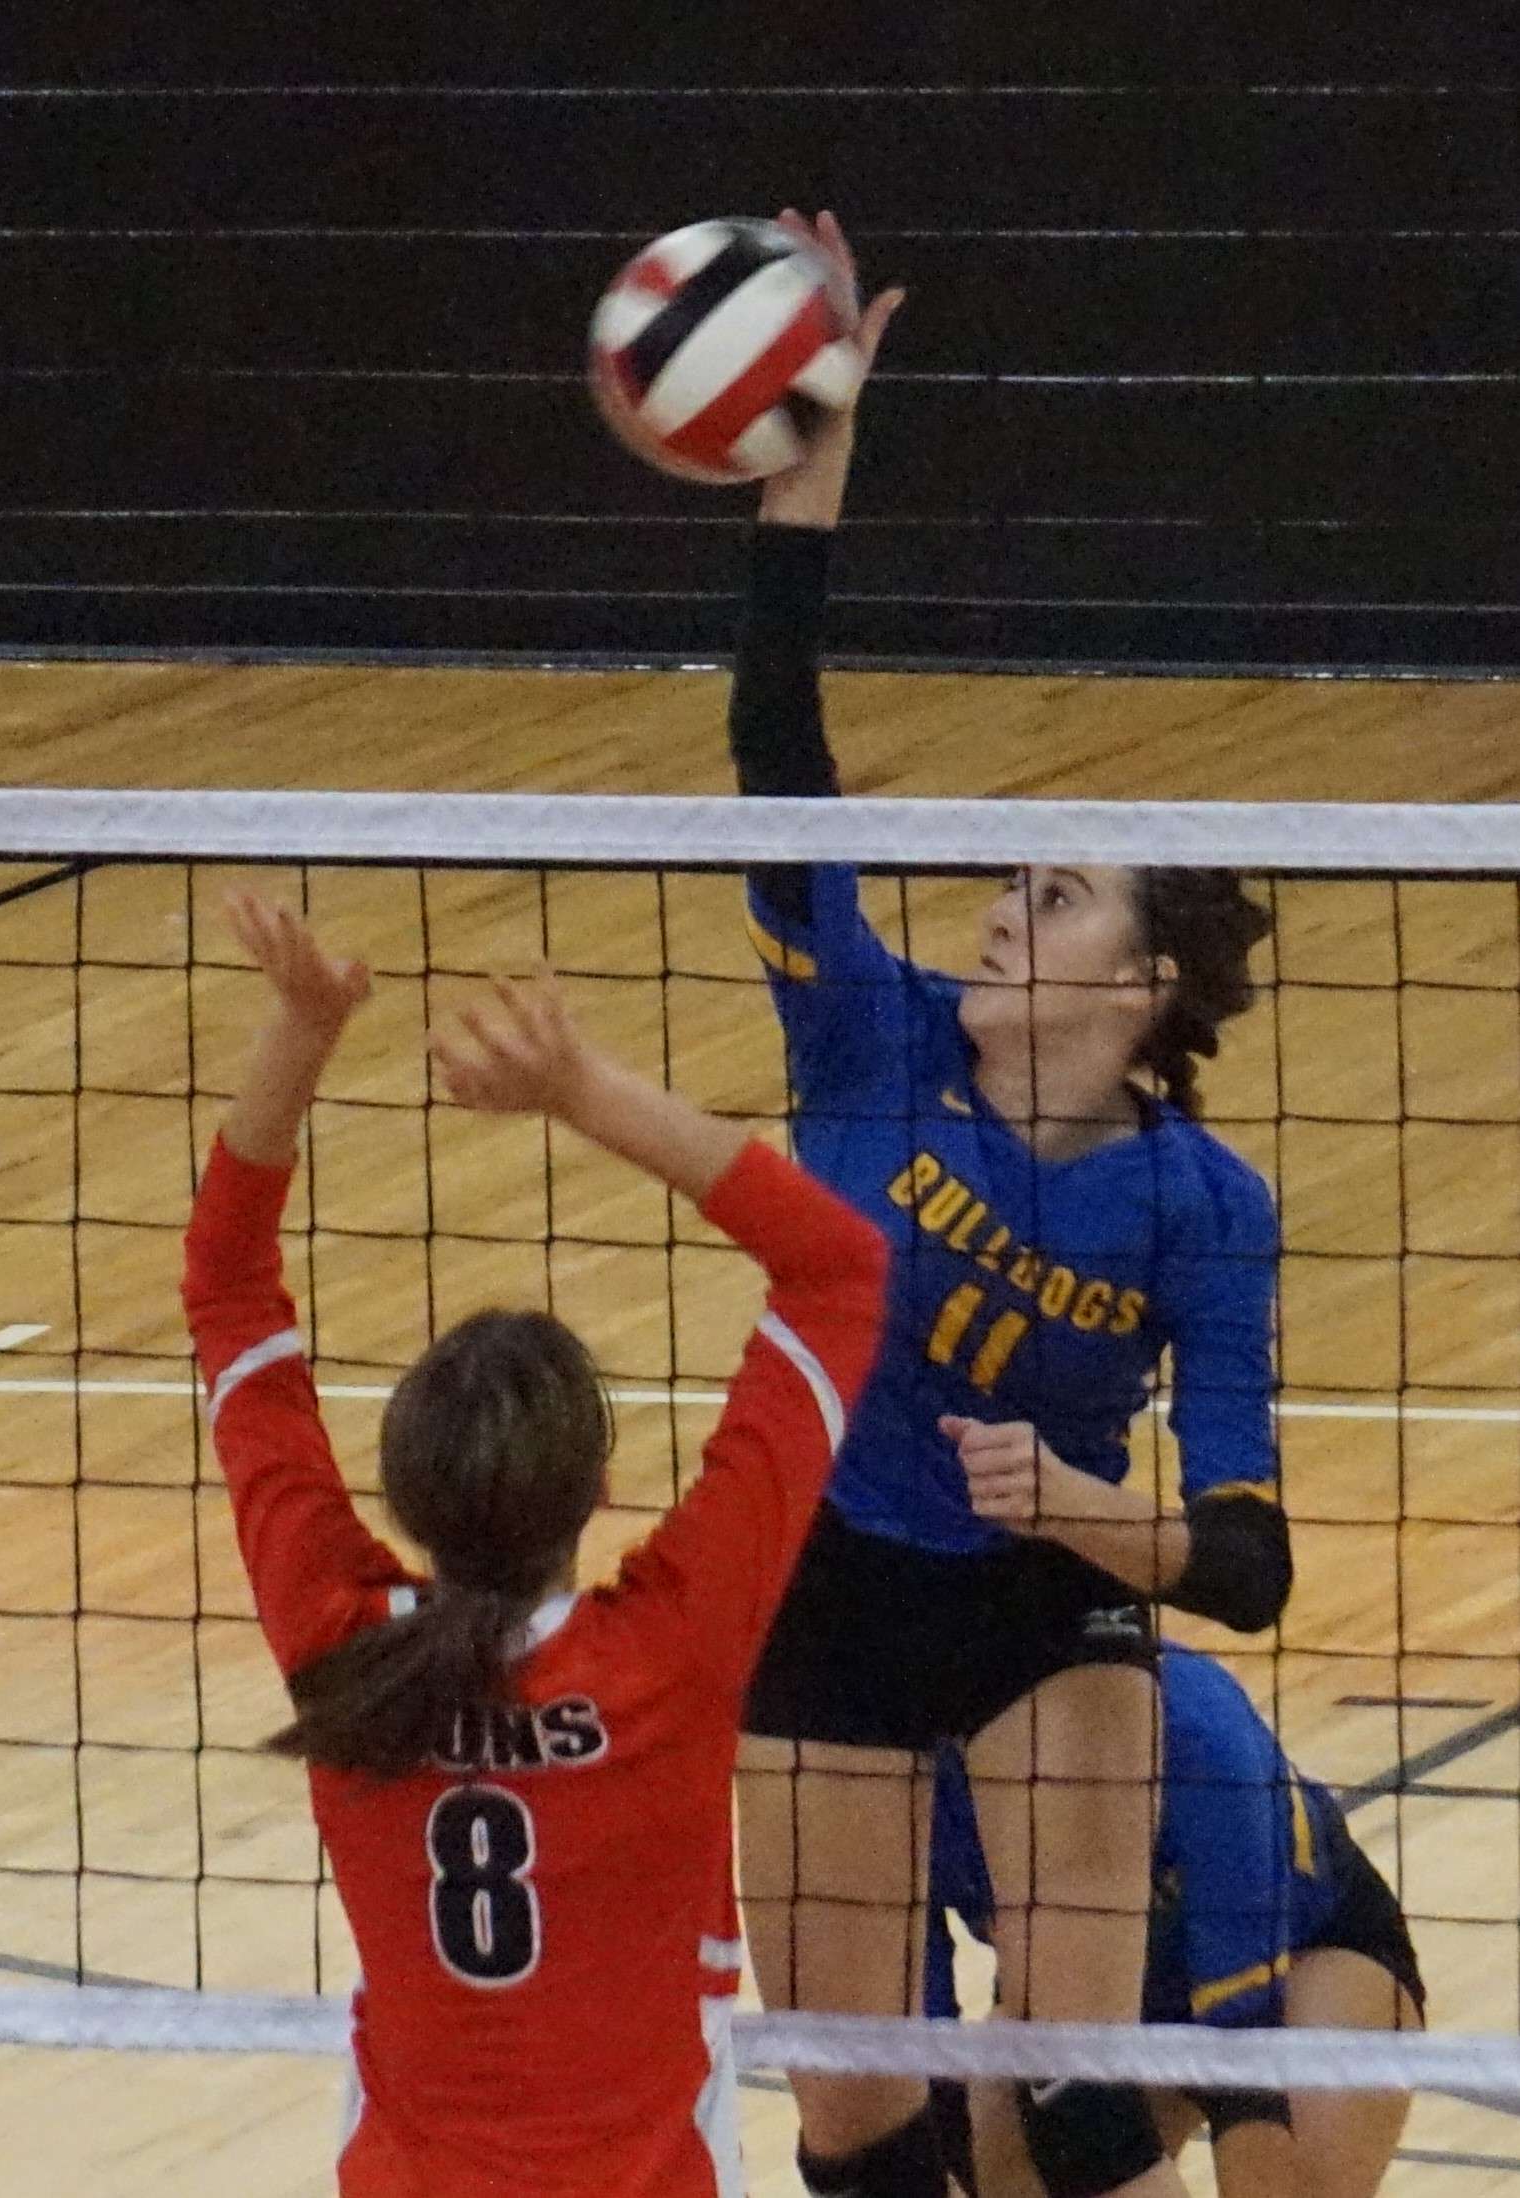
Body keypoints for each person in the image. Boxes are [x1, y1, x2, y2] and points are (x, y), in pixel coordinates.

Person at [723, 212, 1290, 2198]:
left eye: (1047, 897)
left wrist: (1073, 1505)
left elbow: (1244, 1560)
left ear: (1138, 990)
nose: (993, 904)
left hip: (1051, 1596)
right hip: (831, 1581)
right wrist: (811, 482)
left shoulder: (1202, 1201)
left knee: (1062, 2089)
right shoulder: (871, 1043)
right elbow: (775, 761)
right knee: (854, 2113)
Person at [184, 894, 888, 2197]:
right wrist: (580, 1090)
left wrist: (301, 1027)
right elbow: (839, 1269)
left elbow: (224, 1286)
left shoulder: (342, 1645)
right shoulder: (669, 1648)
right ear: (598, 1485)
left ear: (399, 1494)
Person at [923, 1644, 1423, 2198]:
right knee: (1003, 2159)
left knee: (1281, 2181)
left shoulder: (1197, 1726)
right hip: (1103, 1994)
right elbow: (909, 2062)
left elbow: (1247, 2065)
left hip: (1307, 1955)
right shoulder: (897, 1762)